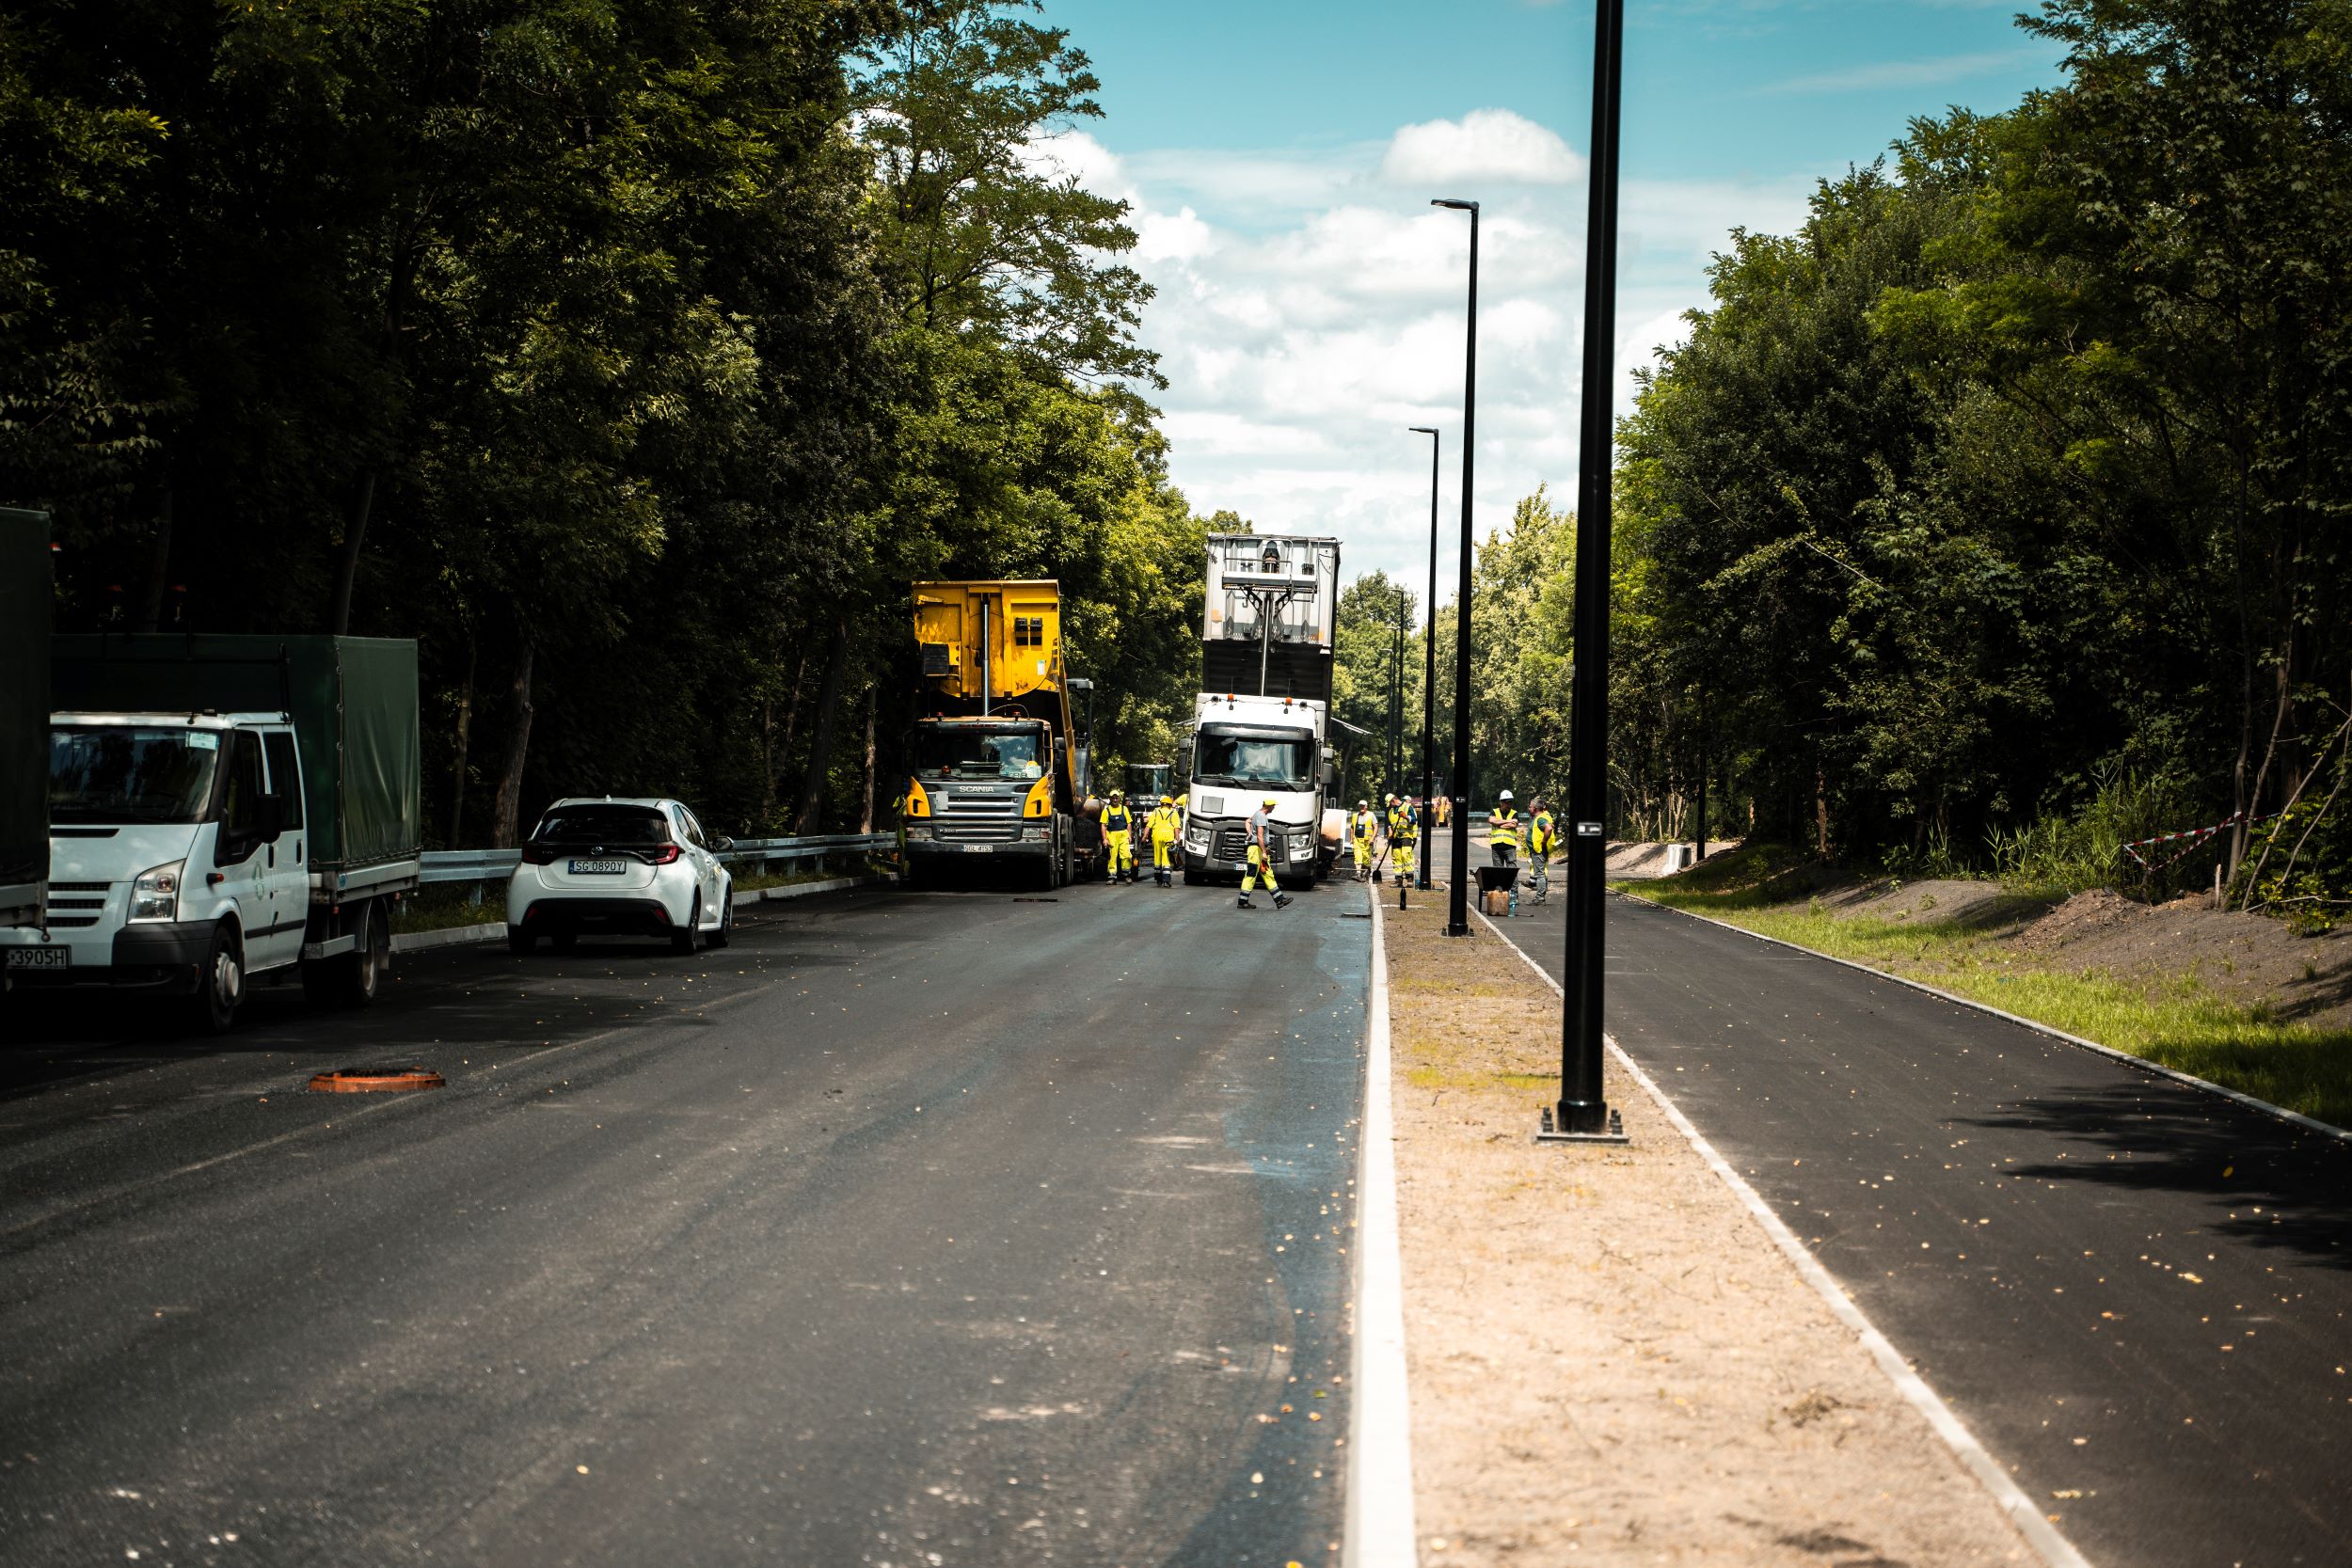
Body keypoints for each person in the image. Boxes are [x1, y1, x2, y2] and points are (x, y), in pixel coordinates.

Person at [1239, 796, 1293, 910]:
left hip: (1258, 849)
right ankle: (1242, 901)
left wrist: (1249, 833)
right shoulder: (1261, 816)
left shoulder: (1257, 814)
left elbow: (1247, 822)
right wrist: (1264, 851)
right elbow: (1259, 836)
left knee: (1268, 874)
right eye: (1273, 806)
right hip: (1256, 850)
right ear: (1268, 806)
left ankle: (1280, 900)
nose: (1274, 808)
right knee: (1251, 874)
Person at [1147, 794, 1183, 887]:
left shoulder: (1155, 811)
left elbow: (1149, 825)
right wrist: (1177, 838)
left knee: (1157, 858)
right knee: (1166, 859)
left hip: (1156, 836)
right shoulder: (1174, 812)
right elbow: (1176, 827)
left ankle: (1158, 879)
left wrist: (1144, 836)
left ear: (1161, 804)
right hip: (1168, 837)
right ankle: (1166, 880)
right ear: (1170, 804)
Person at [1101, 790, 1136, 883]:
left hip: (1123, 835)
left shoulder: (1124, 809)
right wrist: (1105, 839)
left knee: (1126, 855)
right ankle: (1112, 877)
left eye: (1116, 798)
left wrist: (1129, 835)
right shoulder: (1106, 810)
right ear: (1110, 799)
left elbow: (1128, 823)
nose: (1115, 799)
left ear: (1119, 799)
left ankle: (1127, 875)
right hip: (1111, 835)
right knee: (1112, 857)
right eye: (1113, 798)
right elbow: (1104, 826)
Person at [1528, 797, 1556, 902]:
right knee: (1540, 873)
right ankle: (1540, 896)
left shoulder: (1540, 819)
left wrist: (1543, 841)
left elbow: (1548, 828)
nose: (1529, 808)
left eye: (1530, 807)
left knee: (1540, 874)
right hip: (1537, 850)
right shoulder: (1539, 818)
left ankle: (1539, 898)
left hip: (1539, 850)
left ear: (1535, 809)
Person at [1387, 791, 1418, 888]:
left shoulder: (1408, 807)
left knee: (1406, 855)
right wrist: (1390, 833)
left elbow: (1414, 820)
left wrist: (1406, 817)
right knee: (1396, 858)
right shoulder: (1391, 811)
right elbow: (1390, 824)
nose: (1390, 806)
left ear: (1394, 800)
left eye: (1390, 804)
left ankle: (1409, 879)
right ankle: (1398, 880)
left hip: (1406, 836)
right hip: (1396, 837)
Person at [1488, 788, 1520, 868]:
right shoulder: (1494, 811)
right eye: (1507, 803)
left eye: (1510, 802)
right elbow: (1491, 820)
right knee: (1498, 872)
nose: (1509, 805)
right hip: (1496, 846)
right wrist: (1508, 821)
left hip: (1510, 846)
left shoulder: (1514, 813)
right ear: (1501, 802)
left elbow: (1513, 825)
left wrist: (1498, 824)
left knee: (1512, 871)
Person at [1349, 799, 1378, 881]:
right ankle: (1358, 874)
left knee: (1366, 859)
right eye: (1360, 806)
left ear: (1366, 806)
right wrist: (1351, 838)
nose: (1361, 807)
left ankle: (1366, 872)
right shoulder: (1355, 816)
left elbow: (1375, 827)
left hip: (1367, 841)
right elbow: (1352, 827)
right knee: (1358, 857)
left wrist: (1372, 838)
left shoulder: (1371, 815)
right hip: (1357, 840)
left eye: (1363, 806)